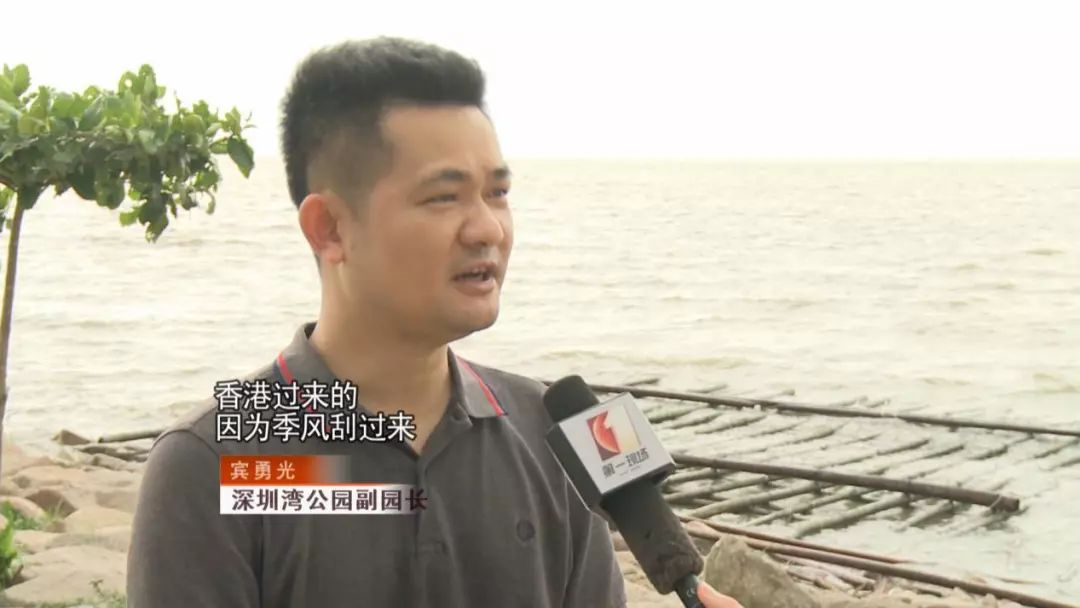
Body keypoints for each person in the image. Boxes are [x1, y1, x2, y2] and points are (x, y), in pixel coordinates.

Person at [127, 37, 741, 608]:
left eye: (497, 193)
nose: (488, 228)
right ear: (330, 228)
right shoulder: (216, 463)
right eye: (444, 197)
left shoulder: (557, 437)